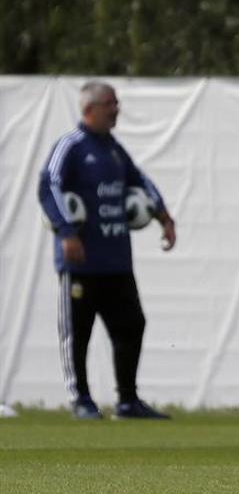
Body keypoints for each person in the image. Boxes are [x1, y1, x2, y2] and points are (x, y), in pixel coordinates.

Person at [37, 81, 177, 420]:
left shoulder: (113, 149)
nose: (116, 110)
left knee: (132, 325)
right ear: (90, 109)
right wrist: (67, 232)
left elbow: (139, 181)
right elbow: (48, 185)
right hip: (80, 263)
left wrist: (164, 217)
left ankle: (127, 401)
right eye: (110, 104)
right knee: (77, 334)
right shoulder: (71, 146)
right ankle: (80, 400)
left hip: (116, 261)